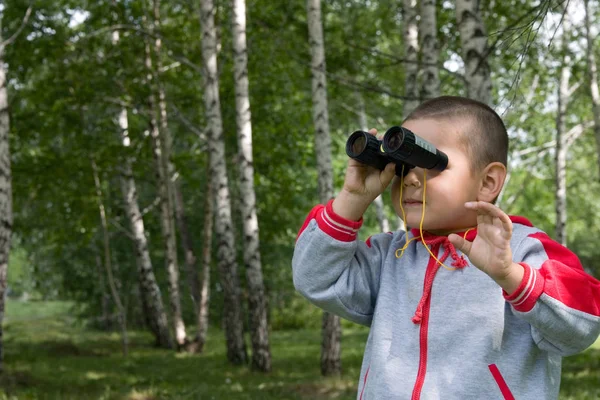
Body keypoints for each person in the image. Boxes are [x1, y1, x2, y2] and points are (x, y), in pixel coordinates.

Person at [292, 96, 600, 399]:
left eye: (429, 163)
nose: (410, 179)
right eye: (400, 166)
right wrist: (352, 198)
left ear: (488, 181)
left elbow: (579, 329)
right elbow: (315, 278)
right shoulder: (390, 256)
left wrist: (511, 277)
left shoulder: (523, 251)